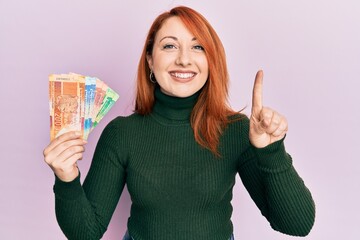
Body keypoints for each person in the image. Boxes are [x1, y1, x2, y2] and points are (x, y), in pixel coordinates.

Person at [43, 6, 315, 240]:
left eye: (197, 47)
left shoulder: (237, 131)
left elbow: (297, 225)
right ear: (150, 59)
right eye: (170, 45)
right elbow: (86, 232)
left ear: (210, 60)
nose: (184, 59)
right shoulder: (121, 134)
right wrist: (67, 179)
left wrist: (271, 151)